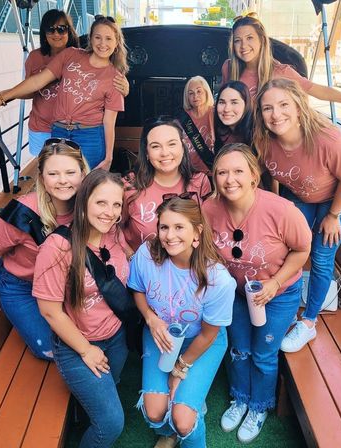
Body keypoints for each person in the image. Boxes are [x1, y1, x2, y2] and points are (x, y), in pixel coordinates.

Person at [203, 144, 311, 443]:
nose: (229, 179)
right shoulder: (210, 209)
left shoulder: (280, 210)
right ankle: (240, 398)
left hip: (277, 294)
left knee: (263, 353)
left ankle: (259, 406)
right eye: (222, 172)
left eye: (238, 171)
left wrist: (275, 283)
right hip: (237, 294)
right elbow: (208, 251)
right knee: (238, 349)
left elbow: (302, 250)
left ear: (254, 175)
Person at [0, 140, 88, 360]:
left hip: (64, 283)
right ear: (41, 177)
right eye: (53, 174)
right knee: (52, 349)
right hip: (21, 286)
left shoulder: (89, 206)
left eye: (70, 172)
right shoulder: (22, 212)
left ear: (82, 173)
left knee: (91, 332)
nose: (62, 181)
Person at [254, 78, 341, 352]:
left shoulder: (328, 138)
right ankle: (287, 305)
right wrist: (278, 202)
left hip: (336, 195)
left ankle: (309, 322)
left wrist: (334, 215)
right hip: (301, 193)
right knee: (287, 244)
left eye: (283, 105)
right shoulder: (264, 141)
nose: (276, 114)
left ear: (299, 107)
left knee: (322, 256)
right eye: (267, 108)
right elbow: (270, 172)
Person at [128, 196, 237, 448]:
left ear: (196, 234)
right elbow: (137, 290)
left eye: (179, 227)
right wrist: (151, 319)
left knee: (185, 420)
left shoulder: (218, 279)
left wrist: (180, 370)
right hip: (161, 335)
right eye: (164, 227)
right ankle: (170, 432)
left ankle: (186, 417)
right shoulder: (146, 254)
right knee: (154, 412)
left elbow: (209, 335)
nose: (169, 235)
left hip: (201, 342)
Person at [33, 170, 129, 448]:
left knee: (113, 384)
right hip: (78, 345)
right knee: (111, 424)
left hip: (117, 338)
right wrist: (86, 350)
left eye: (116, 204)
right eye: (101, 203)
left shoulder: (114, 236)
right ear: (84, 201)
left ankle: (81, 408)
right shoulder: (57, 247)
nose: (109, 212)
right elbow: (50, 311)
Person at [0, 15, 129, 170]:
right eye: (98, 37)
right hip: (59, 130)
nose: (102, 43)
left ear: (116, 43)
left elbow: (109, 122)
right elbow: (38, 81)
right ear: (91, 39)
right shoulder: (71, 55)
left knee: (87, 184)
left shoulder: (116, 78)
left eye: (108, 39)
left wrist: (109, 157)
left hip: (90, 135)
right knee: (61, 181)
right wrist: (2, 97)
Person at [222, 13, 341, 115]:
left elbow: (317, 90)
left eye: (249, 38)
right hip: (235, 143)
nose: (243, 46)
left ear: (262, 40)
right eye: (238, 40)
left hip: (265, 144)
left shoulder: (280, 71)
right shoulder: (228, 68)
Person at [122, 117, 211, 252]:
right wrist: (131, 257)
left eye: (172, 144)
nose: (164, 153)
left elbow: (205, 231)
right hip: (142, 269)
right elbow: (114, 228)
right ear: (146, 152)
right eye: (156, 146)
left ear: (183, 147)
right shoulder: (130, 185)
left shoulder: (199, 182)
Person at [25, 9, 79, 156]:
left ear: (69, 31)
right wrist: (4, 97)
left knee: (72, 168)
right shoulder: (35, 57)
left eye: (62, 29)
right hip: (41, 127)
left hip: (70, 128)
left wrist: (123, 86)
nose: (56, 34)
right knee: (44, 169)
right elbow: (29, 90)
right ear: (44, 32)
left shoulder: (80, 56)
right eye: (51, 29)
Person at [178, 76, 215, 173]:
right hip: (188, 172)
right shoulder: (183, 118)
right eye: (191, 93)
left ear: (206, 93)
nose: (195, 96)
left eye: (199, 91)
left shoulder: (216, 113)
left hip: (212, 171)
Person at [214, 81, 253, 152]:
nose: (226, 109)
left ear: (246, 104)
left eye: (234, 102)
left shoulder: (258, 136)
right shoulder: (219, 132)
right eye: (222, 102)